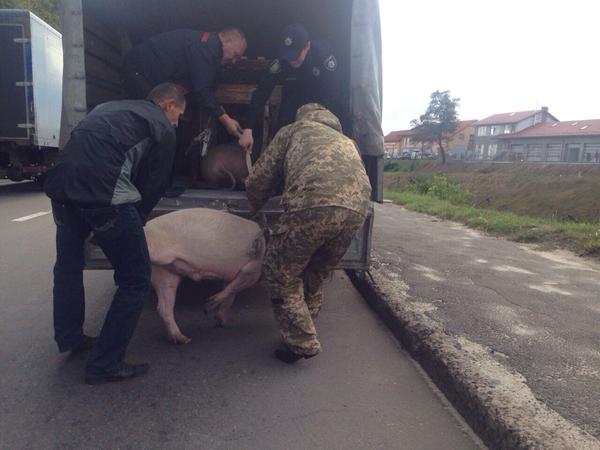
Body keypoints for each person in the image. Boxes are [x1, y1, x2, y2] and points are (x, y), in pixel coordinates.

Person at [44, 83, 185, 384]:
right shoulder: (162, 126)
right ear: (168, 104)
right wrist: (136, 222)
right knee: (135, 279)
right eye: (178, 115)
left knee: (68, 266)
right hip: (104, 196)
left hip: (61, 188)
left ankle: (70, 338)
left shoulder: (108, 107)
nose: (177, 123)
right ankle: (105, 363)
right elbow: (153, 185)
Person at [245, 103, 372, 363]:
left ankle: (301, 342)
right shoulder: (346, 141)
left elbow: (261, 176)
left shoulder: (294, 130)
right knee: (316, 272)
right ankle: (305, 327)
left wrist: (254, 205)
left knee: (280, 272)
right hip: (356, 211)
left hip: (313, 205)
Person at [122, 27, 247, 138]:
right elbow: (202, 91)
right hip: (140, 73)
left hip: (143, 75)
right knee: (147, 128)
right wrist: (226, 120)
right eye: (236, 55)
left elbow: (202, 86)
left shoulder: (207, 48)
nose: (234, 61)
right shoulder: (207, 47)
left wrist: (218, 109)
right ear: (227, 41)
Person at [238, 24, 343, 152]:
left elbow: (333, 92)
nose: (292, 61)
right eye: (289, 57)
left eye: (296, 56)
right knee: (283, 134)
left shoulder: (323, 56)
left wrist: (316, 121)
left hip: (321, 101)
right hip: (294, 95)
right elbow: (262, 92)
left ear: (307, 46)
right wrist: (248, 128)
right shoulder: (281, 60)